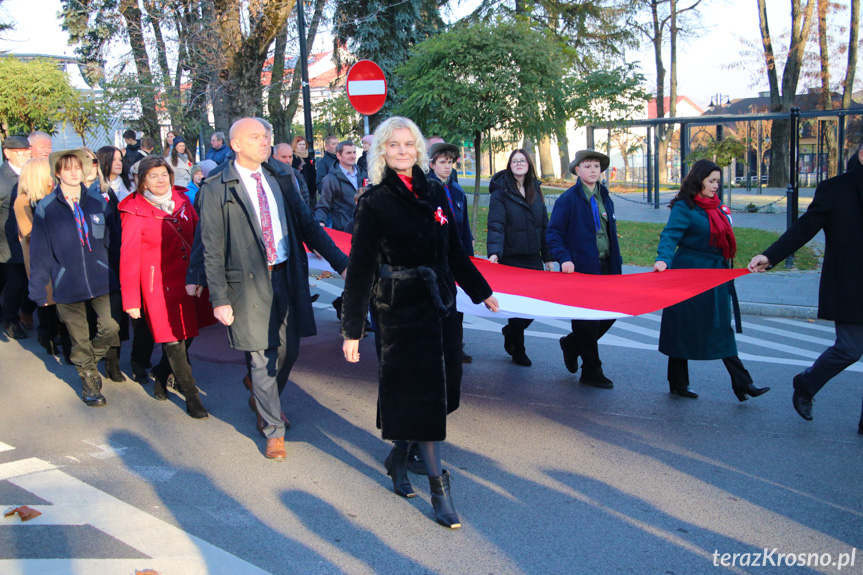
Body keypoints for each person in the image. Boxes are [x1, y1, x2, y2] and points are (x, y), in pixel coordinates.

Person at [340, 116, 499, 529]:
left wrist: (480, 289)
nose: (403, 151)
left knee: (440, 392)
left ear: (419, 149)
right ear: (381, 152)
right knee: (422, 395)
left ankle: (397, 458)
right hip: (399, 309)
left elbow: (454, 251)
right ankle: (438, 486)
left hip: (440, 303)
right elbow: (360, 268)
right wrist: (352, 327)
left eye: (408, 144)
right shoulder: (374, 200)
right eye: (393, 145)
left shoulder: (435, 190)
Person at [199, 117, 349, 458]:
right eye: (256, 137)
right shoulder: (216, 187)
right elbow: (212, 246)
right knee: (261, 356)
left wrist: (341, 262)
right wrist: (219, 298)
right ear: (236, 144)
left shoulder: (282, 177)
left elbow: (308, 225)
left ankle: (262, 395)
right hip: (246, 283)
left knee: (288, 351)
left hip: (286, 275)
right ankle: (272, 429)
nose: (264, 141)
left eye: (266, 135)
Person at [749, 136, 863, 432]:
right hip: (850, 285)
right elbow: (804, 228)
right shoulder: (836, 189)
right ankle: (806, 383)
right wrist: (770, 256)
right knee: (850, 349)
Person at [654, 159, 769, 401]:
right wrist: (663, 259)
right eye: (712, 181)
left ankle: (742, 382)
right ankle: (678, 382)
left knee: (720, 325)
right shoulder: (684, 207)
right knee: (682, 325)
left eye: (718, 181)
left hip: (715, 274)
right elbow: (670, 235)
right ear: (699, 180)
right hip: (689, 272)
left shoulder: (716, 207)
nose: (716, 185)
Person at [29, 150, 121, 406]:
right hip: (67, 284)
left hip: (103, 279)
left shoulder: (98, 203)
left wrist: (120, 272)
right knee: (78, 337)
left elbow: (115, 242)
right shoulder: (47, 208)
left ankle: (88, 361)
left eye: (77, 167)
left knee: (111, 326)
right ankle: (89, 381)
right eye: (67, 168)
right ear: (57, 173)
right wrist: (38, 289)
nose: (73, 172)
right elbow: (39, 252)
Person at [118, 156, 208, 418]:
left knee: (188, 334)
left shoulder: (182, 200)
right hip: (156, 285)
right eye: (153, 176)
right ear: (142, 181)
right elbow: (129, 259)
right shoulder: (133, 210)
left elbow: (197, 237)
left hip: (188, 280)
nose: (160, 180)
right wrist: (132, 300)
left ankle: (161, 375)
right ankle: (192, 398)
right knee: (173, 341)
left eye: (164, 175)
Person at [547, 150, 621, 388]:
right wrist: (564, 258)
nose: (593, 170)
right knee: (586, 323)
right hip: (579, 269)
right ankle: (591, 370)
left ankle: (571, 344)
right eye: (587, 166)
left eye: (597, 166)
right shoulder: (567, 200)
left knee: (611, 314)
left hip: (607, 267)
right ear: (577, 170)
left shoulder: (604, 196)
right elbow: (554, 233)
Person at [486, 149, 554, 367]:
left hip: (533, 257)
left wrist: (548, 257)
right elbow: (496, 224)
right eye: (514, 161)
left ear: (528, 164)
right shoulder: (500, 192)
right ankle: (519, 350)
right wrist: (494, 252)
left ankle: (510, 332)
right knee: (518, 307)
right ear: (509, 165)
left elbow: (543, 225)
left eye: (522, 160)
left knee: (535, 304)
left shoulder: (535, 189)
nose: (518, 164)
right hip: (511, 257)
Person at [14, 157, 68, 357]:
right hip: (39, 257)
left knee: (61, 299)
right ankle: (47, 336)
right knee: (47, 300)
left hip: (59, 254)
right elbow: (27, 231)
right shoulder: (23, 200)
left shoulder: (54, 195)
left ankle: (60, 335)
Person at [427, 141, 474, 365]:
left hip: (456, 255)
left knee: (458, 303)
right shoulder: (427, 189)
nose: (447, 167)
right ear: (431, 165)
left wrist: (470, 257)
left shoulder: (457, 191)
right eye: (442, 162)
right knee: (437, 303)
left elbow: (463, 229)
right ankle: (436, 346)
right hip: (436, 257)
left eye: (450, 162)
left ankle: (456, 344)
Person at [0, 136, 32, 339]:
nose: (24, 154)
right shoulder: (2, 178)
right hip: (8, 240)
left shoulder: (32, 173)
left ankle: (24, 313)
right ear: (7, 153)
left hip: (31, 237)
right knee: (16, 282)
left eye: (26, 150)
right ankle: (10, 319)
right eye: (19, 152)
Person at [315, 140, 367, 232]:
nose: (353, 156)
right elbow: (323, 205)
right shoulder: (331, 179)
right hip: (344, 231)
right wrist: (320, 224)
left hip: (365, 228)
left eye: (354, 152)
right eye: (348, 153)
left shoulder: (363, 174)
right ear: (339, 155)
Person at [290, 136, 317, 205]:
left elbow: (313, 174)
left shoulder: (309, 158)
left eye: (304, 144)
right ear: (295, 145)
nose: (302, 147)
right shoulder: (292, 158)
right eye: (300, 144)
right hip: (298, 190)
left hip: (310, 190)